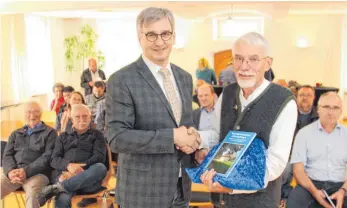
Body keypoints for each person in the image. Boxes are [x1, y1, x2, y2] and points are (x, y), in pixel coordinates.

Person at [106, 7, 201, 208]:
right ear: (139, 37)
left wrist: (194, 140)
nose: (159, 42)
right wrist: (173, 137)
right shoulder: (122, 80)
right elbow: (117, 138)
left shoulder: (184, 78)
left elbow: (185, 125)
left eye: (165, 34)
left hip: (181, 189)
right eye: (151, 35)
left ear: (174, 36)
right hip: (142, 195)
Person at [198, 32, 298, 208]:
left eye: (253, 59)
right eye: (238, 58)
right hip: (221, 203)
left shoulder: (284, 100)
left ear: (267, 63)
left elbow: (275, 163)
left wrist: (231, 186)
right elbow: (217, 136)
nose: (244, 67)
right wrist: (198, 142)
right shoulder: (227, 93)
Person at [36, 104, 107, 208]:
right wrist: (69, 166)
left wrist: (79, 169)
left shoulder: (97, 135)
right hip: (64, 175)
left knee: (101, 167)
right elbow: (54, 159)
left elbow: (99, 157)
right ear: (72, 119)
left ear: (90, 118)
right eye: (77, 117)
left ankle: (57, 188)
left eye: (85, 116)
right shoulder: (62, 137)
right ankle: (61, 187)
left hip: (88, 180)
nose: (81, 119)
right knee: (62, 197)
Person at [287, 92, 347, 208]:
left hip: (341, 185)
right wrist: (315, 192)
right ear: (318, 109)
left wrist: (343, 190)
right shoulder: (304, 134)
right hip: (310, 184)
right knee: (295, 201)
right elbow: (298, 171)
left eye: (335, 108)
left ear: (341, 111)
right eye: (326, 107)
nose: (331, 112)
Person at [1, 101, 57, 208]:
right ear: (24, 114)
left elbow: (47, 157)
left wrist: (26, 171)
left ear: (41, 114)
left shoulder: (50, 133)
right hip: (14, 174)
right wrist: (10, 172)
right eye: (28, 112)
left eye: (36, 111)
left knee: (33, 197)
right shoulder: (15, 133)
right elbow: (7, 155)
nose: (32, 115)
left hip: (38, 175)